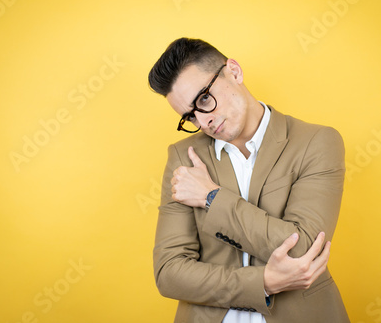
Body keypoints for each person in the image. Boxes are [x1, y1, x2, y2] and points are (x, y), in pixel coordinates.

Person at [148, 37, 349, 323]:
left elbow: (302, 248)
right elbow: (169, 273)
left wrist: (211, 197)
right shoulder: (185, 157)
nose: (204, 122)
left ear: (234, 71)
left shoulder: (316, 142)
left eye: (204, 98)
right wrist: (263, 282)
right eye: (190, 117)